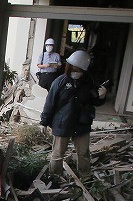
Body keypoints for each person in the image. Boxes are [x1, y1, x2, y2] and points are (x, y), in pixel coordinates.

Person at [40, 50, 107, 178]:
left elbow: (94, 102)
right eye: (73, 68)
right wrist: (44, 121)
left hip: (81, 124)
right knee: (58, 153)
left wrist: (101, 97)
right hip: (62, 123)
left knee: (83, 153)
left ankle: (85, 176)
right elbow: (50, 102)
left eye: (79, 70)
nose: (76, 72)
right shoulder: (59, 82)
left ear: (84, 70)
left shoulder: (89, 83)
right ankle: (55, 177)